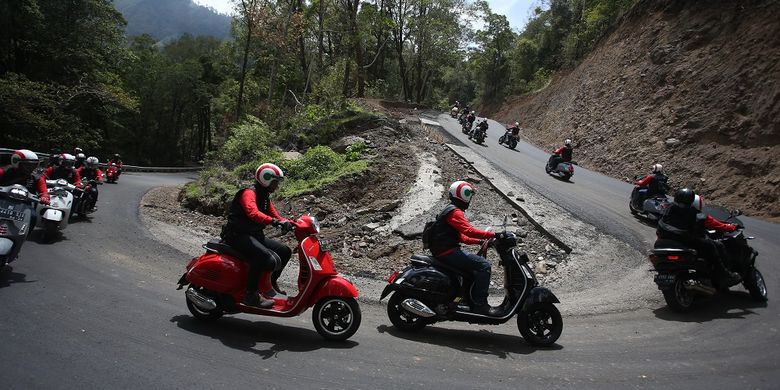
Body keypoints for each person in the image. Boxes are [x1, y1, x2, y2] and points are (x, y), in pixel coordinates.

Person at [428, 181, 506, 315]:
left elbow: (463, 237)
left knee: (473, 269)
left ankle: (464, 299)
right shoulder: (455, 212)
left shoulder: (451, 209)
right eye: (468, 193)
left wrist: (480, 242)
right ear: (462, 193)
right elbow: (469, 231)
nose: (470, 197)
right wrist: (495, 235)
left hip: (444, 250)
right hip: (447, 252)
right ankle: (480, 304)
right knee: (484, 265)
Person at [220, 163, 293, 308]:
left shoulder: (264, 195)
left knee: (285, 251)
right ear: (266, 179)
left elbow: (273, 214)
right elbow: (252, 213)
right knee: (262, 256)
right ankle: (250, 294)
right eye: (275, 182)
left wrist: (290, 222)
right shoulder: (249, 193)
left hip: (253, 234)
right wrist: (274, 222)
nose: (277, 186)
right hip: (237, 235)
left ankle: (270, 284)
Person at [656, 188, 741, 286]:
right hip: (685, 240)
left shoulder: (667, 208)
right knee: (714, 246)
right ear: (691, 200)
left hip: (662, 241)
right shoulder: (696, 214)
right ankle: (725, 275)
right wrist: (733, 227)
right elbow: (719, 225)